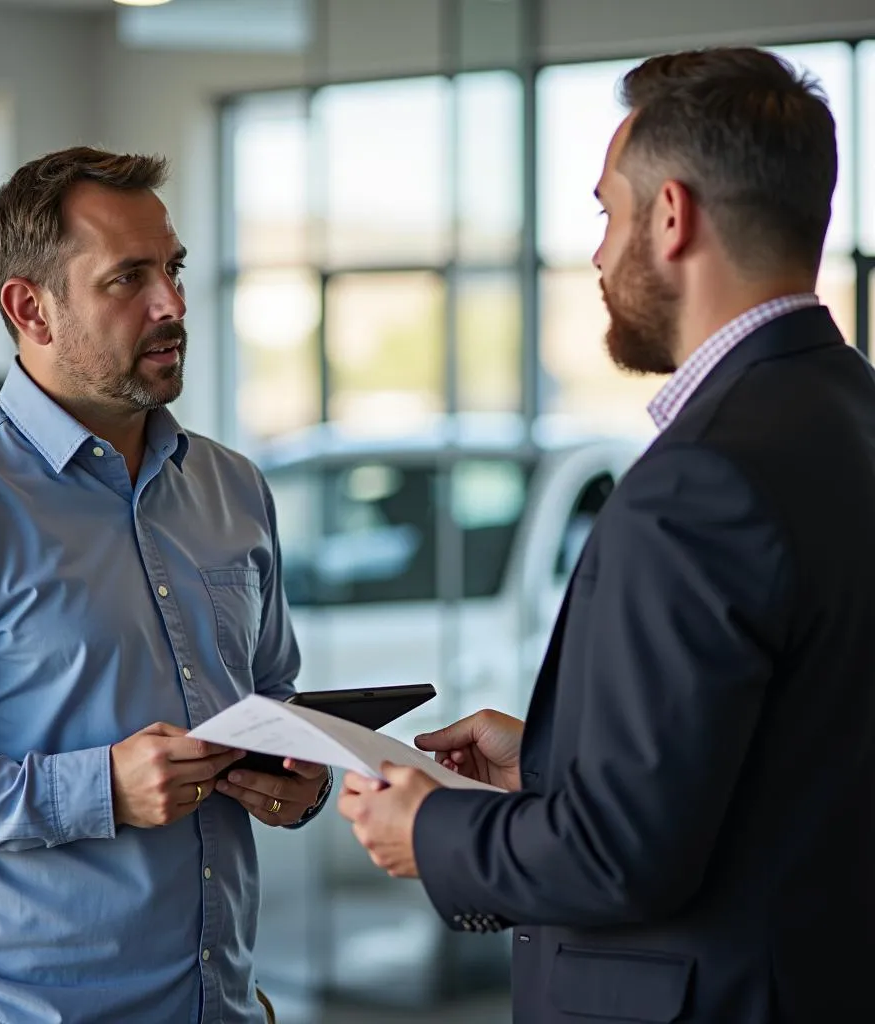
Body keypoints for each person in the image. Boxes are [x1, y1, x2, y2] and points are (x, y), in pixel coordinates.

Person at [339, 46, 875, 1023]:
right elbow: (792, 756)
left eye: (605, 212)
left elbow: (617, 854)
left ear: (670, 217)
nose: (595, 253)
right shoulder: (850, 413)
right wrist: (547, 761)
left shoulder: (702, 476)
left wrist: (431, 829)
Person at [0, 146, 331, 1024]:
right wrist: (95, 790)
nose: (173, 304)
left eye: (175, 269)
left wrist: (303, 781)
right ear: (29, 307)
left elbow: (272, 695)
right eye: (129, 278)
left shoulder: (233, 488)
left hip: (220, 1005)